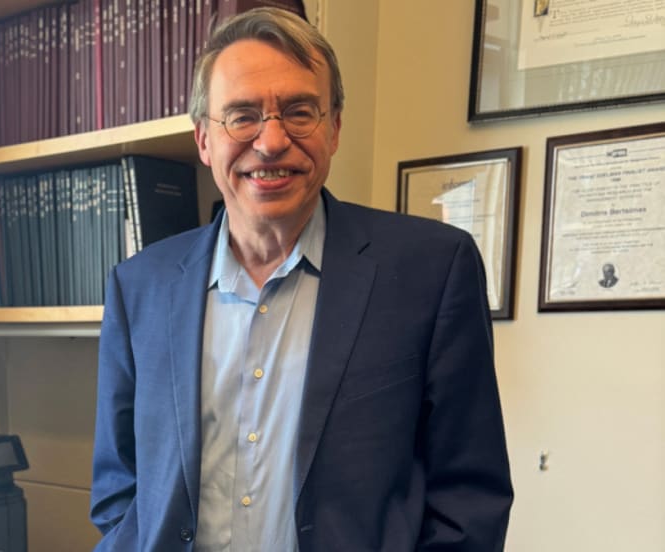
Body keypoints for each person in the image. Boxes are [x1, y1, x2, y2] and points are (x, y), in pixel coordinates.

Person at [90, 8, 513, 551]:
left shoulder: (432, 270)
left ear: (334, 128)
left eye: (299, 112)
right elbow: (118, 486)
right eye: (241, 116)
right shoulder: (139, 286)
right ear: (203, 140)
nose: (270, 142)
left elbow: (469, 498)